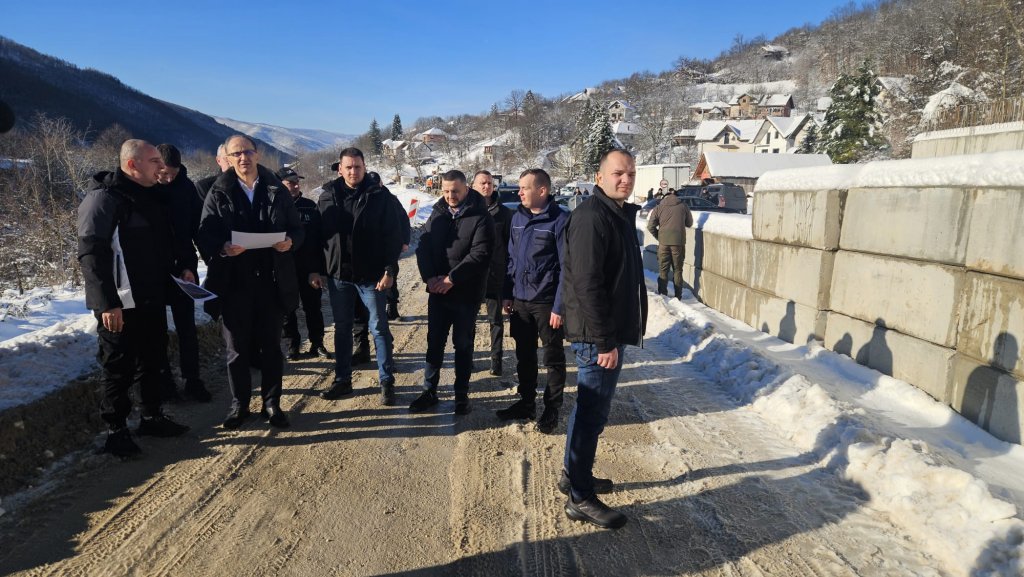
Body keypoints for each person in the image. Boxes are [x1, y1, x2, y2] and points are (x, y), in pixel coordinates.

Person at [78, 139, 190, 458]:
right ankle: (116, 430)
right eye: (154, 161)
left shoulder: (150, 196)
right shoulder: (103, 199)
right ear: (132, 164)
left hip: (151, 297)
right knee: (119, 366)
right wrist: (107, 303)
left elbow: (158, 247)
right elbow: (92, 255)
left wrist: (180, 269)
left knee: (153, 360)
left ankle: (151, 417)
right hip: (119, 303)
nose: (161, 167)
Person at [559, 148, 648, 529]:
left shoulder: (616, 214)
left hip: (605, 332)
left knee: (588, 411)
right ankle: (580, 497)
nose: (625, 180)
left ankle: (573, 475)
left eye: (630, 174)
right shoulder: (592, 217)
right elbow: (587, 284)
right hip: (597, 336)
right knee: (591, 415)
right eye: (617, 173)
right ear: (599, 177)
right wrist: (604, 341)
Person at [198, 134, 304, 429]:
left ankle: (272, 403)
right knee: (237, 350)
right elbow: (204, 234)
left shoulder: (276, 190)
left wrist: (290, 241)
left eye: (247, 152)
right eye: (236, 154)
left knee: (271, 346)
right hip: (233, 284)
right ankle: (240, 405)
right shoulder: (218, 192)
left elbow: (298, 229)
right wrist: (222, 248)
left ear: (257, 154)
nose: (243, 157)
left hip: (271, 281)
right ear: (227, 159)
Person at [314, 149, 402, 406]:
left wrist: (389, 270)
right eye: (349, 167)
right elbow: (317, 236)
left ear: (365, 167)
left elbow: (393, 235)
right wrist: (315, 269)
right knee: (342, 328)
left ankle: (386, 382)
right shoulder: (328, 196)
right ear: (340, 169)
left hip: (372, 275)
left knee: (379, 328)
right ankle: (342, 380)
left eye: (358, 167)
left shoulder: (379, 196)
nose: (353, 172)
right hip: (339, 275)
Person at [410, 170, 494, 415]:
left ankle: (461, 396)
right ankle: (429, 391)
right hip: (438, 291)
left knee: (463, 345)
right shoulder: (438, 212)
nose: (450, 196)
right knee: (434, 342)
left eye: (455, 191)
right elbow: (423, 246)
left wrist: (451, 279)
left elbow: (480, 254)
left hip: (466, 293)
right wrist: (430, 277)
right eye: (446, 191)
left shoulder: (481, 216)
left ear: (466, 188)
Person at [496, 168, 568, 434]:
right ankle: (526, 402)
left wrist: (559, 306)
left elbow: (567, 268)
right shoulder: (517, 218)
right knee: (524, 356)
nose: (519, 193)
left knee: (553, 358)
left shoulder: (560, 220)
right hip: (521, 301)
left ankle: (552, 408)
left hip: (547, 303)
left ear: (542, 190)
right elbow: (511, 260)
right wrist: (507, 293)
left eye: (524, 188)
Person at [155, 143, 211, 402]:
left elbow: (198, 228)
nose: (168, 179)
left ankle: (193, 380)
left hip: (183, 268)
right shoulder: (145, 188)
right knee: (157, 331)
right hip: (153, 270)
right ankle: (164, 382)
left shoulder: (187, 188)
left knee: (187, 328)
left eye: (173, 174)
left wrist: (200, 262)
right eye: (164, 174)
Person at [277, 166, 331, 361]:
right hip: (284, 268)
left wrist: (317, 270)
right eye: (290, 182)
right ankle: (293, 346)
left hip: (308, 269)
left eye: (297, 182)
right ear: (279, 184)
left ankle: (317, 343)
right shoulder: (273, 206)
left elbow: (318, 240)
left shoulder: (309, 206)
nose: (295, 185)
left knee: (313, 307)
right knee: (288, 309)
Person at [473, 169, 512, 376]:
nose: (486, 186)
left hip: (495, 274)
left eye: (489, 183)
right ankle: (467, 357)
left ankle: (496, 359)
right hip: (471, 276)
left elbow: (509, 246)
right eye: (482, 183)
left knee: (495, 320)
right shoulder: (467, 210)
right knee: (467, 320)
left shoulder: (504, 213)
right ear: (473, 186)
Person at [647, 188, 694, 299]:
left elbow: (650, 226)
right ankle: (678, 297)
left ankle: (663, 295)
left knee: (663, 270)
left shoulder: (658, 207)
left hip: (663, 243)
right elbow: (689, 223)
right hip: (678, 243)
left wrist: (659, 237)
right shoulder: (683, 206)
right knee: (678, 270)